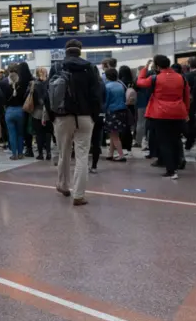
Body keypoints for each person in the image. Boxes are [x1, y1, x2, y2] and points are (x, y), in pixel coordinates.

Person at [47, 39, 101, 206]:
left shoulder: (57, 67)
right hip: (85, 116)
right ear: (80, 50)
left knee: (64, 153)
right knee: (82, 155)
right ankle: (78, 195)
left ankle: (63, 185)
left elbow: (47, 94)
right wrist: (94, 116)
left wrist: (52, 116)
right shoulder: (91, 68)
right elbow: (97, 94)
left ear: (65, 51)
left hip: (62, 117)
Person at [136, 56, 190, 180]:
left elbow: (140, 82)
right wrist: (185, 111)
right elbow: (186, 95)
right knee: (176, 140)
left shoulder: (155, 78)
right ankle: (177, 165)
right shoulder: (181, 77)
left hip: (160, 113)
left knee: (164, 142)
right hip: (178, 112)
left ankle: (171, 170)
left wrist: (144, 68)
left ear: (157, 66)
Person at [3, 63, 30, 160]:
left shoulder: (4, 82)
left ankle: (14, 154)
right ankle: (20, 153)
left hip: (9, 111)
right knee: (20, 133)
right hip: (20, 110)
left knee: (12, 134)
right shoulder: (22, 83)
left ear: (8, 70)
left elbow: (3, 98)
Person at [104, 68, 128, 162]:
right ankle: (110, 154)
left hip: (112, 111)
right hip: (121, 110)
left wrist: (103, 110)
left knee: (114, 135)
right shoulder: (120, 85)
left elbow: (107, 101)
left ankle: (121, 155)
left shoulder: (107, 87)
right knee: (114, 133)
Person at [30, 67, 51, 160]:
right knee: (48, 133)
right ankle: (49, 153)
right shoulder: (50, 83)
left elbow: (31, 98)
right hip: (48, 112)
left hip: (37, 112)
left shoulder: (33, 84)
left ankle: (40, 154)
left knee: (39, 134)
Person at [184, 56, 196, 150]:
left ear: (189, 64)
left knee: (189, 123)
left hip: (190, 102)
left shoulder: (187, 76)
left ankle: (190, 141)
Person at [118, 65, 136, 156]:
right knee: (128, 127)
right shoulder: (133, 82)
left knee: (122, 127)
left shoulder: (120, 83)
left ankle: (123, 146)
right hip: (131, 107)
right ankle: (129, 146)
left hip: (123, 106)